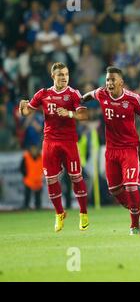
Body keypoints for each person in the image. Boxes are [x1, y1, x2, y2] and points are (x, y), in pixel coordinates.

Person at [18, 62, 89, 232]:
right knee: (50, 179)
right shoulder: (43, 94)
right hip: (50, 142)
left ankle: (83, 213)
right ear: (53, 77)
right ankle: (59, 214)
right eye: (60, 75)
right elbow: (27, 112)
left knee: (76, 177)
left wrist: (69, 113)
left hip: (69, 142)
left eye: (66, 74)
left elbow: (84, 114)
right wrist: (22, 108)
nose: (64, 77)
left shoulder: (73, 94)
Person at [82, 66, 140, 235]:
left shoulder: (133, 98)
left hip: (129, 149)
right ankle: (137, 211)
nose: (109, 83)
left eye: (113, 80)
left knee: (131, 187)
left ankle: (134, 225)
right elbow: (89, 95)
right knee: (114, 190)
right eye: (107, 80)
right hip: (111, 150)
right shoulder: (102, 93)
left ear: (121, 82)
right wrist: (78, 100)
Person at [20, 144, 43, 210]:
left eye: (35, 149)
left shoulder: (41, 156)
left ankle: (38, 207)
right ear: (30, 149)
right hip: (29, 179)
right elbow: (21, 168)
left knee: (38, 195)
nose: (34, 150)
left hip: (38, 179)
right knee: (27, 194)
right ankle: (26, 206)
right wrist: (25, 174)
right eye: (32, 149)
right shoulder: (26, 156)